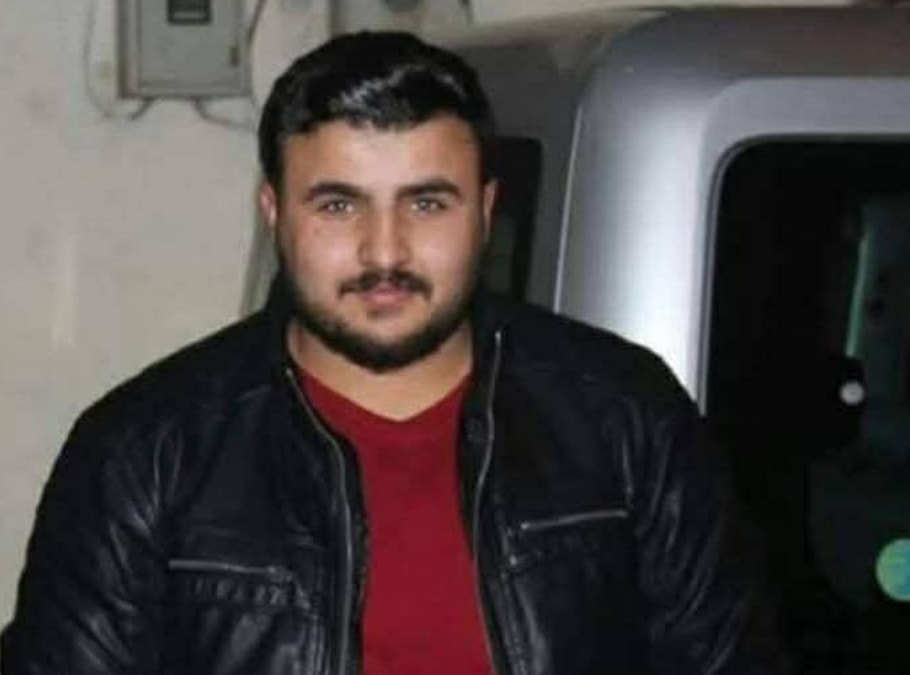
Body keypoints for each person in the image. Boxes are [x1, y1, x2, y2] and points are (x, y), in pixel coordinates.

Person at [1, 31, 785, 675]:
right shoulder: (145, 451)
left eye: (427, 202)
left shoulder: (624, 415)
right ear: (273, 212)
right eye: (339, 204)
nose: (385, 251)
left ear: (485, 211)